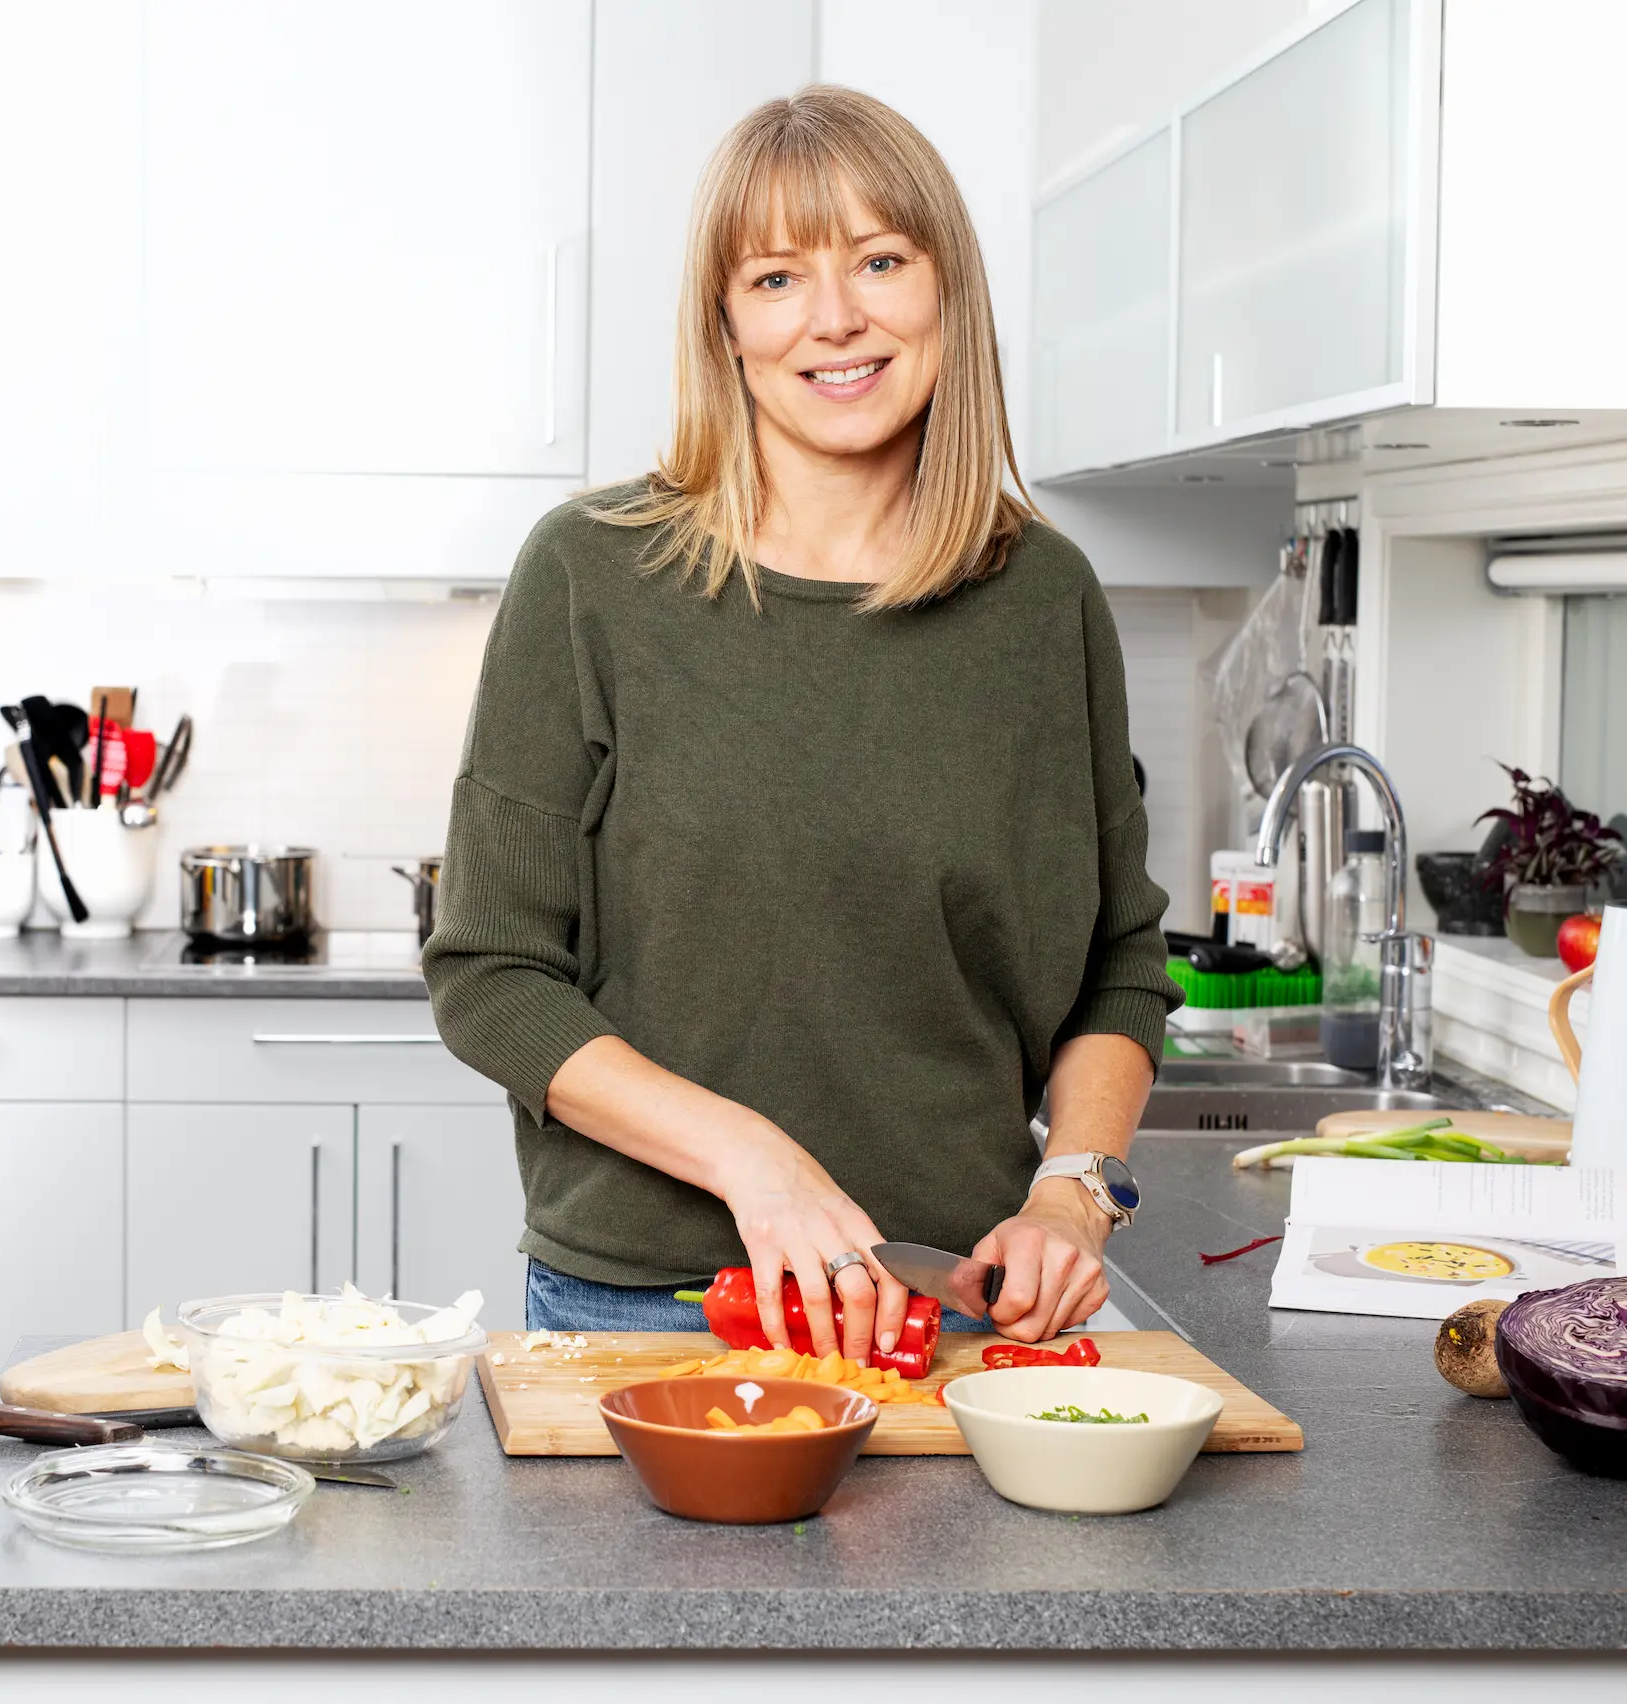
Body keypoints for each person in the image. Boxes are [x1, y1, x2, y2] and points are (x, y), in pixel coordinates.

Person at [422, 86, 1178, 1362]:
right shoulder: (589, 576)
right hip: (648, 1306)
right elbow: (489, 975)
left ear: (945, 294)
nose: (835, 319)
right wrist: (750, 1161)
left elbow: (1119, 955)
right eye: (776, 278)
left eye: (880, 261)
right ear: (724, 322)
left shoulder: (1043, 600)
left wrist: (1073, 1189)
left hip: (948, 1309)